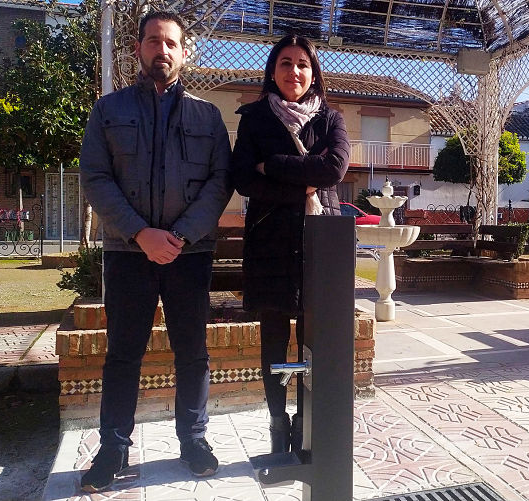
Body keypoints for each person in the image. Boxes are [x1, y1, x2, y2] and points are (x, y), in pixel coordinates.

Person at [78, 11, 232, 492]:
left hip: (190, 255)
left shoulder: (208, 117)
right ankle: (113, 449)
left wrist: (179, 236)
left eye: (170, 43)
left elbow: (219, 182)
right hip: (128, 253)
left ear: (184, 52)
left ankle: (194, 441)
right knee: (123, 354)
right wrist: (141, 233)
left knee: (193, 353)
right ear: (138, 49)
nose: (161, 50)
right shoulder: (108, 110)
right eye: (152, 41)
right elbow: (95, 177)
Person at [231, 34, 350, 453]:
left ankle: (307, 423)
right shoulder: (255, 118)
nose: (294, 71)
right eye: (286, 62)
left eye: (303, 64)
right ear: (273, 70)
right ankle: (278, 424)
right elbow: (244, 178)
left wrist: (274, 165)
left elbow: (334, 169)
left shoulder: (331, 119)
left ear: (313, 73)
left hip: (321, 241)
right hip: (271, 243)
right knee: (274, 340)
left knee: (315, 342)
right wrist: (301, 185)